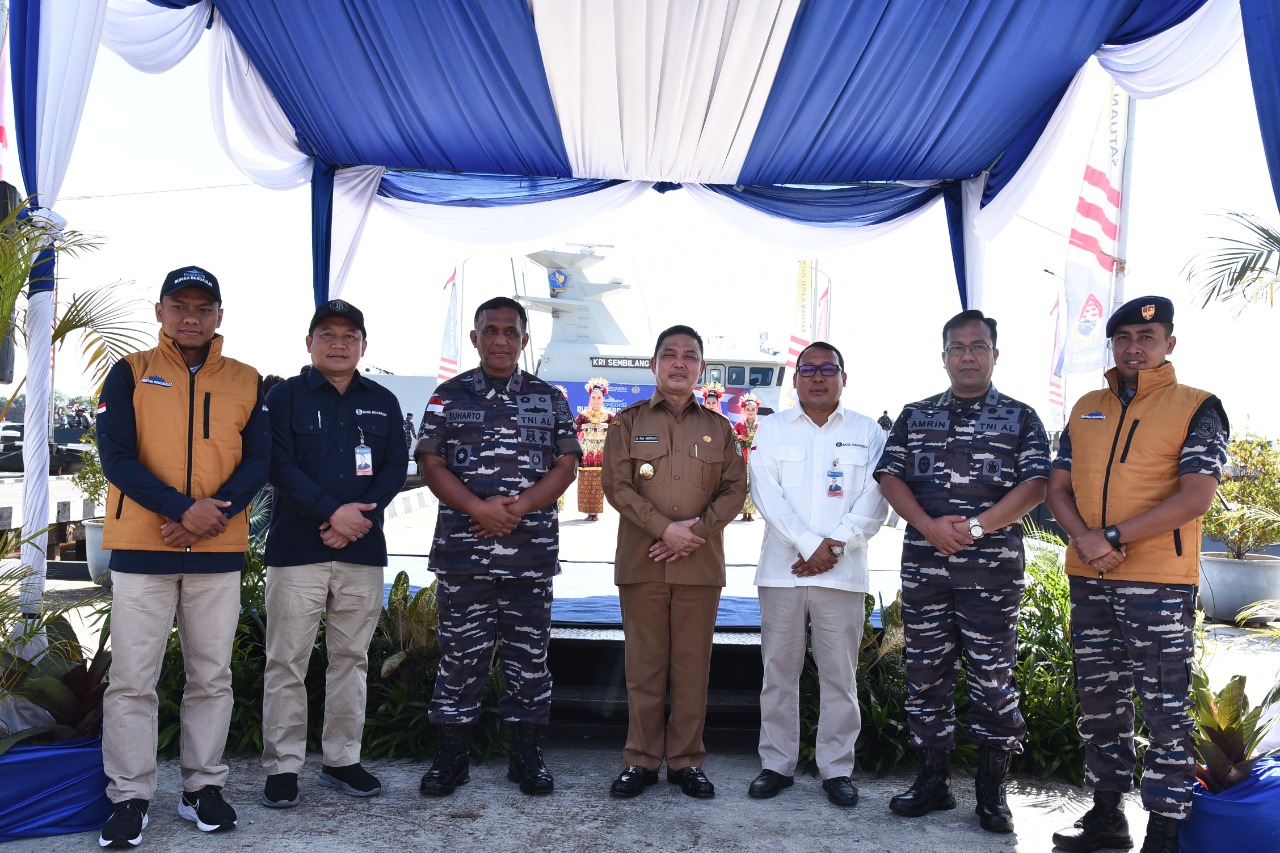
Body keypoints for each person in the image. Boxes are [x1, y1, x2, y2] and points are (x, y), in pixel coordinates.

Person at [96, 266, 270, 847]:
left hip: (216, 547)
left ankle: (203, 788)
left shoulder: (248, 380)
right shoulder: (130, 373)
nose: (190, 316)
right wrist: (179, 510)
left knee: (211, 675)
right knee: (132, 679)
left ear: (220, 315)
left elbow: (258, 460)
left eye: (203, 306)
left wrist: (209, 515)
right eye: (179, 306)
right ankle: (129, 796)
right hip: (143, 546)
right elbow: (116, 457)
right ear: (161, 311)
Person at [1046, 296, 1227, 853]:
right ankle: (1106, 820)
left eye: (1147, 338)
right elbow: (1057, 488)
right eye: (1123, 337)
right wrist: (1085, 539)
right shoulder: (1085, 407)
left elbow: (1196, 497)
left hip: (1158, 582)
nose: (1134, 348)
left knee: (1165, 706)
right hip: (1091, 576)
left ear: (1169, 344)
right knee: (1101, 702)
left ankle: (1165, 832)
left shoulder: (1198, 406)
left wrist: (1114, 537)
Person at [874, 309, 1049, 833]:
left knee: (993, 680)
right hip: (926, 568)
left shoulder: (1021, 417)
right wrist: (929, 527)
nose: (967, 356)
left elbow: (1035, 486)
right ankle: (933, 781)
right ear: (944, 355)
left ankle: (992, 790)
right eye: (958, 347)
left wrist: (974, 529)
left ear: (995, 353)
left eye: (978, 346)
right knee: (926, 674)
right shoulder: (916, 414)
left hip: (991, 574)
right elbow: (890, 476)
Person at [415, 296, 579, 798]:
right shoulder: (448, 395)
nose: (501, 340)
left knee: (528, 658)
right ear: (475, 338)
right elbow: (431, 463)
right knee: (460, 656)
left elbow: (566, 465)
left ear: (525, 340)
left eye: (511, 331)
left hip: (528, 555)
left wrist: (517, 508)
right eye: (491, 330)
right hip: (464, 555)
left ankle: (525, 757)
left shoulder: (549, 397)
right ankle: (452, 757)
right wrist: (477, 509)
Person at [258, 300, 408, 809]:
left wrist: (355, 519)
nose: (339, 343)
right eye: (328, 334)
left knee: (351, 658)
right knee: (286, 661)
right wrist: (331, 513)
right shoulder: (284, 398)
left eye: (350, 335)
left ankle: (342, 760)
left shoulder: (383, 401)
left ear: (364, 345)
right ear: (309, 343)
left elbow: (394, 467)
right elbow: (277, 464)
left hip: (361, 549)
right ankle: (282, 767)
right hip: (297, 550)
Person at [601, 325, 747, 799]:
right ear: (654, 365)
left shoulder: (720, 429)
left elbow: (735, 490)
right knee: (644, 670)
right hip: (643, 561)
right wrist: (665, 529)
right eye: (669, 354)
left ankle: (685, 761)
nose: (679, 362)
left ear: (701, 368)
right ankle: (641, 761)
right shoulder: (625, 424)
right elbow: (616, 486)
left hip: (699, 566)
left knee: (692, 670)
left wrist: (694, 534)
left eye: (689, 355)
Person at [746, 343, 887, 807]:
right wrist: (811, 546)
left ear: (844, 377)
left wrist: (833, 547)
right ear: (796, 379)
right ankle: (776, 764)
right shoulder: (772, 428)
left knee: (839, 677)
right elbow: (765, 495)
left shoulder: (868, 432)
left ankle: (836, 769)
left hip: (842, 575)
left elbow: (875, 500)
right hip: (782, 572)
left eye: (829, 369)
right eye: (809, 369)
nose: (819, 377)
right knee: (778, 673)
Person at [574, 378, 614, 521]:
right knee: (585, 480)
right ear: (590, 398)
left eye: (599, 397)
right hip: (587, 452)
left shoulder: (609, 416)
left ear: (603, 398)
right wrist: (584, 427)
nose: (596, 400)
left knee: (598, 482)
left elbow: (619, 430)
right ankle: (587, 511)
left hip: (602, 453)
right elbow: (574, 428)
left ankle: (595, 512)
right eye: (593, 397)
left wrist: (607, 427)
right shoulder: (583, 415)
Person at [733, 393, 762, 522]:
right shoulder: (739, 425)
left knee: (753, 484)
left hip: (755, 458)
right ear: (744, 410)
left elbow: (765, 440)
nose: (750, 412)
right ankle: (743, 513)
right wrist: (740, 437)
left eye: (753, 409)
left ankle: (750, 513)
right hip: (743, 458)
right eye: (748, 409)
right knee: (743, 484)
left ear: (757, 410)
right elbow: (732, 437)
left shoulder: (760, 425)